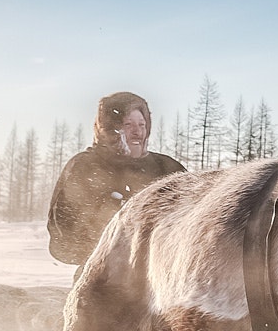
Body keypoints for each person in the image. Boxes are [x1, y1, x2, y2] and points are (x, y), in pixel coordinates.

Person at [47, 90, 187, 266]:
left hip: (157, 273)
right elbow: (63, 227)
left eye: (142, 125)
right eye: (128, 125)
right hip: (101, 272)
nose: (137, 132)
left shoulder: (166, 168)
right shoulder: (85, 167)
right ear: (111, 129)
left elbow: (191, 218)